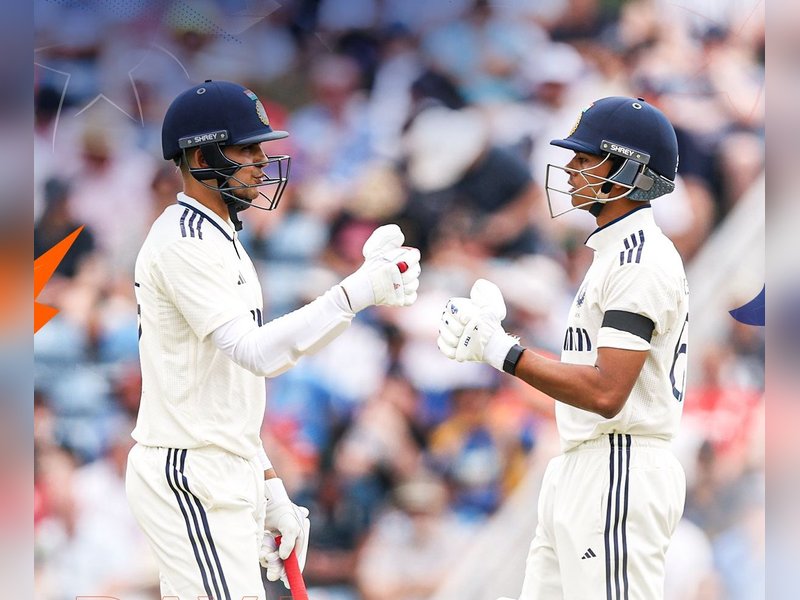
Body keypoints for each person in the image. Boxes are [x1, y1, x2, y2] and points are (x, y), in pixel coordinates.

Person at [125, 80, 421, 600]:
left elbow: (227, 388)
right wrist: (357, 291)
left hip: (220, 466)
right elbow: (256, 353)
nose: (263, 161)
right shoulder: (184, 242)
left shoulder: (222, 237)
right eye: (247, 148)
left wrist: (266, 483)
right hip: (190, 471)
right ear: (200, 156)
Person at [437, 96, 689, 599]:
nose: (571, 169)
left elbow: (606, 393)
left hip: (618, 462)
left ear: (628, 170)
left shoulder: (639, 259)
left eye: (585, 157)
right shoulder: (613, 252)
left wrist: (502, 352)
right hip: (585, 463)